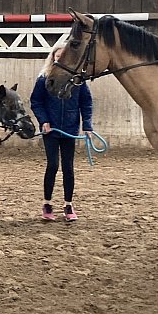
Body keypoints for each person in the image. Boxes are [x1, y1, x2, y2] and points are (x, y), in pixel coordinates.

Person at [30, 41, 93, 222]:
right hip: (52, 130)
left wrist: (87, 125)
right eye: (57, 57)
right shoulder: (44, 78)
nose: (59, 60)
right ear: (52, 58)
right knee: (52, 166)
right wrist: (44, 121)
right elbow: (36, 101)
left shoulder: (78, 81)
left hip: (70, 130)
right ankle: (47, 203)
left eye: (62, 57)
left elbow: (86, 102)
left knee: (68, 168)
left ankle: (68, 204)